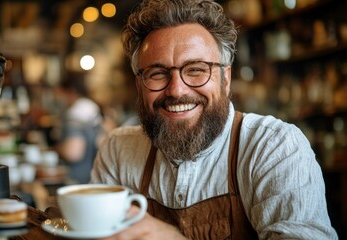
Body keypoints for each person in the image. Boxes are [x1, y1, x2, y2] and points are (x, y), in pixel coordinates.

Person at [89, 0, 338, 239]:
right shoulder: (118, 151)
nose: (176, 90)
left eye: (196, 69)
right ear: (139, 84)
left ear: (225, 78)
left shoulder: (274, 147)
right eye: (157, 73)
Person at [53, 71, 103, 184]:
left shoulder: (75, 113)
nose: (58, 99)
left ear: (70, 91)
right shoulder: (92, 107)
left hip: (75, 179)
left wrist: (56, 149)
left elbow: (73, 152)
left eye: (60, 94)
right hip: (94, 175)